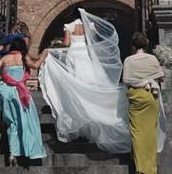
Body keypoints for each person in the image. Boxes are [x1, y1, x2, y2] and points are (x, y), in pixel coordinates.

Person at [38, 9, 132, 153]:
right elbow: (92, 43)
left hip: (74, 55)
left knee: (75, 85)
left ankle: (79, 121)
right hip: (85, 55)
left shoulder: (68, 26)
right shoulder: (90, 26)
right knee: (88, 84)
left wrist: (55, 47)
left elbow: (66, 43)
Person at [0, 38, 48, 165]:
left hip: (7, 92)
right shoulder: (23, 56)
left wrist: (6, 80)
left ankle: (13, 154)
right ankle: (28, 149)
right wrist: (44, 54)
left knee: (12, 123)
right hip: (20, 93)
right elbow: (35, 65)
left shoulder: (5, 58)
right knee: (27, 121)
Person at [122, 32, 166, 174]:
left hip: (137, 96)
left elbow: (127, 80)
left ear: (133, 46)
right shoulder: (152, 59)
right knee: (150, 132)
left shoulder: (129, 60)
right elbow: (161, 78)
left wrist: (139, 80)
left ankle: (141, 168)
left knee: (138, 132)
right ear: (146, 45)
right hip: (151, 96)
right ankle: (151, 168)